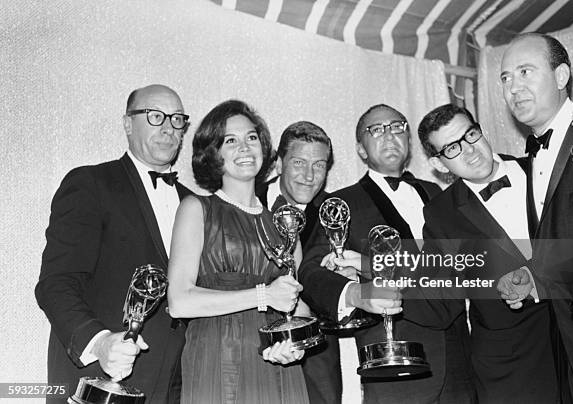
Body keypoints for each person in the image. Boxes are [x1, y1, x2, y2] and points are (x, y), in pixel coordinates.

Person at [299, 104, 475, 403]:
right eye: (377, 130)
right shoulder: (341, 203)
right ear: (361, 149)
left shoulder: (439, 194)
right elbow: (311, 273)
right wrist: (354, 292)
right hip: (394, 370)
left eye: (398, 127)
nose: (390, 135)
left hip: (461, 364)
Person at [35, 84, 192, 403]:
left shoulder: (194, 204)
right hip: (97, 383)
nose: (168, 127)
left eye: (177, 119)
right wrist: (101, 342)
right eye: (155, 115)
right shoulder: (90, 184)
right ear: (127, 124)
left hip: (173, 386)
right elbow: (56, 283)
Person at [167, 99, 308, 404]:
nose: (245, 148)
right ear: (213, 154)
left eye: (252, 138)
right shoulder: (197, 209)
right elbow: (179, 302)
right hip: (218, 358)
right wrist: (263, 295)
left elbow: (297, 306)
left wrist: (296, 345)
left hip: (277, 367)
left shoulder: (285, 223)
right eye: (230, 140)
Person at [417, 103, 559, 403]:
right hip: (511, 367)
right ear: (440, 165)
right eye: (452, 149)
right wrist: (376, 270)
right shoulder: (440, 216)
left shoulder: (542, 169)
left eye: (470, 135)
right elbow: (440, 301)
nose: (470, 150)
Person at [500, 33, 573, 403]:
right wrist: (534, 280)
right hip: (569, 356)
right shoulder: (529, 160)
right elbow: (570, 245)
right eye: (505, 78)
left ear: (561, 76)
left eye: (525, 72)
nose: (513, 87)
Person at [256, 121, 342, 404]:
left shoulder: (335, 213)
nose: (309, 176)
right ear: (279, 164)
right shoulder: (243, 199)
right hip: (248, 349)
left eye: (319, 165)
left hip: (316, 362)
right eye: (298, 163)